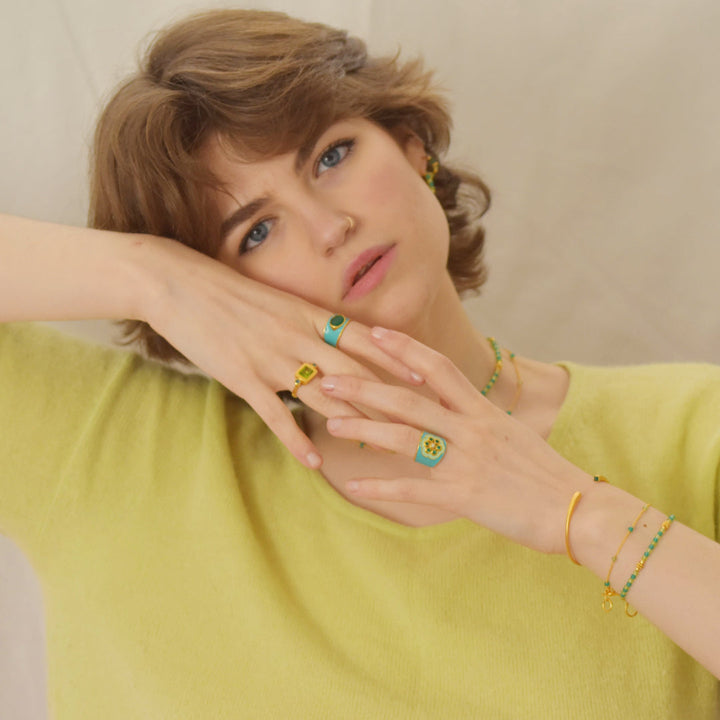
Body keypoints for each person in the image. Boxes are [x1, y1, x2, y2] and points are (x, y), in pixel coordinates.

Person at [1, 7, 718, 719]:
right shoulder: (110, 452)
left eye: (331, 157)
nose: (328, 226)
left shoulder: (689, 429)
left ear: (411, 148)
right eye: (256, 232)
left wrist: (579, 515)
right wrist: (153, 279)